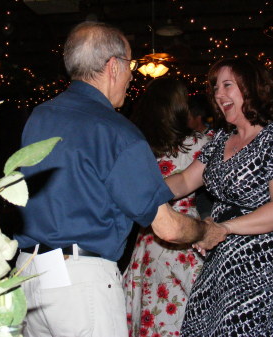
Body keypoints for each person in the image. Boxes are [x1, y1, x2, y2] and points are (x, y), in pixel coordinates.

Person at [14, 21, 226, 337]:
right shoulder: (117, 131)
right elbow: (166, 226)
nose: (131, 75)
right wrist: (203, 231)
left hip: (27, 277)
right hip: (80, 283)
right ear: (113, 66)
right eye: (131, 65)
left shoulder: (40, 116)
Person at [165, 56, 273, 336]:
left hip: (258, 258)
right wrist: (138, 190)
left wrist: (225, 228)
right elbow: (184, 180)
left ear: (252, 88)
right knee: (197, 328)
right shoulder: (220, 138)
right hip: (218, 255)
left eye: (227, 85)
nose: (219, 94)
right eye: (216, 87)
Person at [123, 78, 210, 336]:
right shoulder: (198, 144)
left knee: (148, 311)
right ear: (179, 106)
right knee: (184, 313)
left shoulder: (138, 146)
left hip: (148, 235)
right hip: (187, 233)